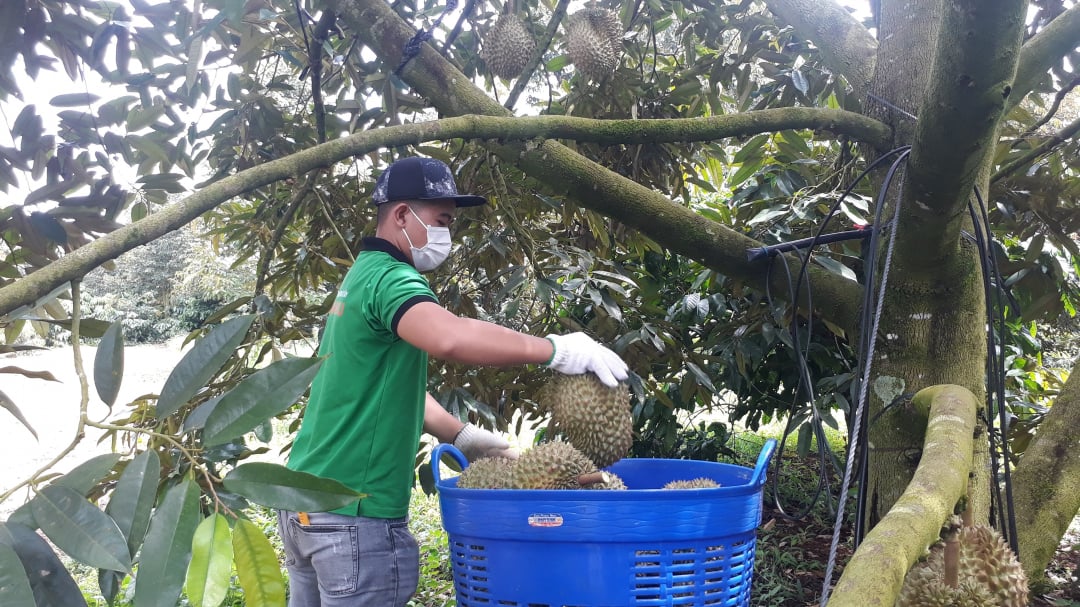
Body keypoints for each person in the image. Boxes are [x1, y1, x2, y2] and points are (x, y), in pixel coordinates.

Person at [278, 155, 629, 606]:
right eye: (441, 220)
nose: (447, 234)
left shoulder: (360, 277)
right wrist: (557, 351)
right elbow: (450, 336)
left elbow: (381, 390)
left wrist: (462, 435)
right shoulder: (391, 279)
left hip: (307, 503)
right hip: (354, 513)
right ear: (402, 215)